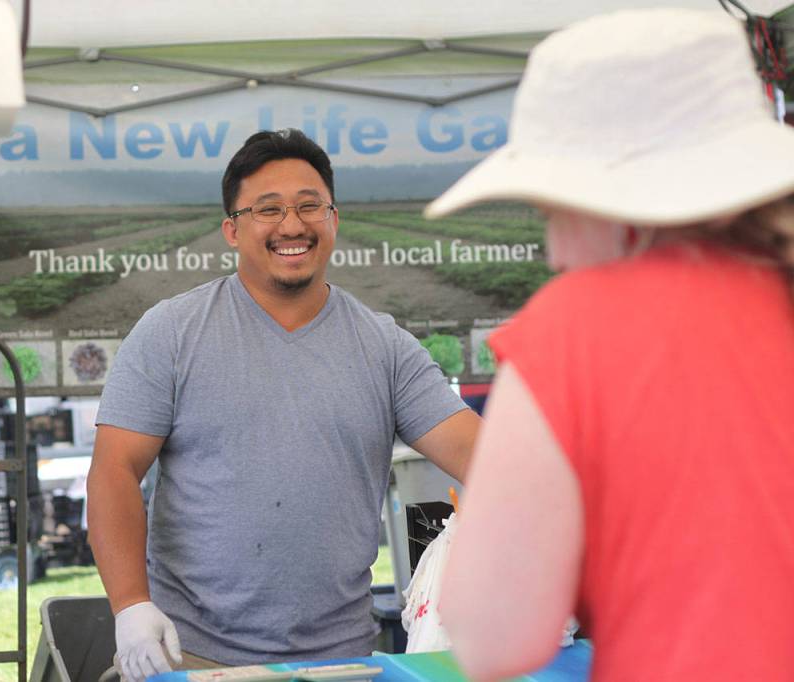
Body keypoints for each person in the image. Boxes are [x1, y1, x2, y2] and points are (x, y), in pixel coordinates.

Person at [428, 9, 794, 682]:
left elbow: (491, 639)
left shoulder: (575, 328)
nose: (554, 251)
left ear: (623, 209)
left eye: (552, 210)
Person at [87, 128, 482, 680]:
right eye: (267, 209)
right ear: (232, 229)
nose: (292, 225)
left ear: (334, 220)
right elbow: (113, 471)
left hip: (343, 662)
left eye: (309, 206)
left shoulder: (384, 346)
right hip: (196, 657)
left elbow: (482, 457)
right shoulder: (172, 333)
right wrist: (130, 605)